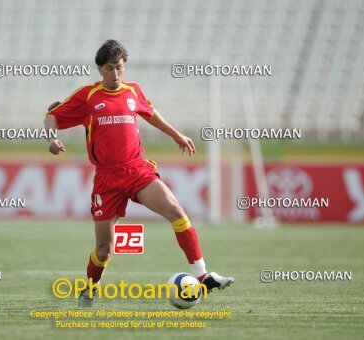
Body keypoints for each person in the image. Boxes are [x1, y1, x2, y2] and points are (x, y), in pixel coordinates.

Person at [44, 40, 233, 307]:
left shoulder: (134, 91)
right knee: (104, 251)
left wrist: (177, 135)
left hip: (137, 170)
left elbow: (151, 113)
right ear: (100, 69)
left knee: (177, 213)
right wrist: (50, 139)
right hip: (107, 179)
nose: (115, 74)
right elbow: (51, 116)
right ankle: (89, 288)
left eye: (119, 68)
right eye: (109, 69)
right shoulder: (87, 96)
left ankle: (202, 274)